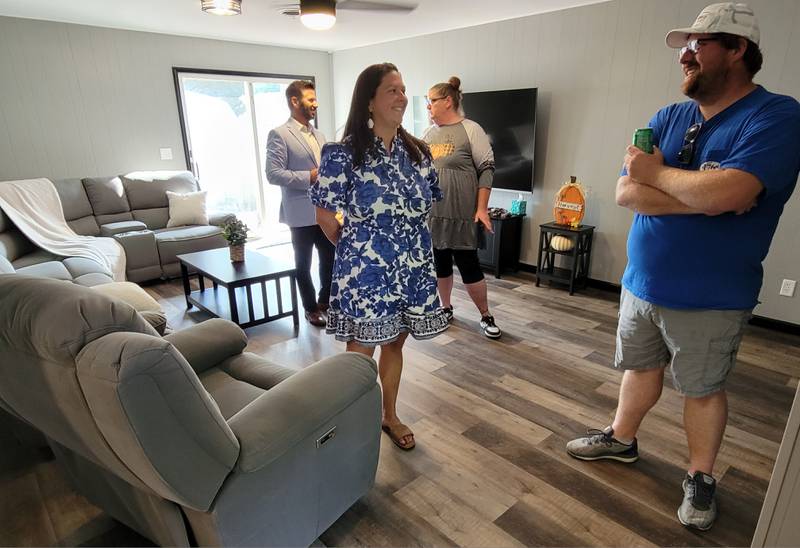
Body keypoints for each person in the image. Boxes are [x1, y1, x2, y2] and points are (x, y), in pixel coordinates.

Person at [566, 2, 800, 532]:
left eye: (699, 44)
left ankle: (700, 476)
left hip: (713, 295)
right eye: (684, 46)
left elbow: (736, 190)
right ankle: (622, 440)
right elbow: (627, 191)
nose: (686, 56)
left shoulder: (778, 115)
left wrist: (660, 175)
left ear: (738, 50)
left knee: (702, 388)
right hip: (641, 282)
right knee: (639, 369)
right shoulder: (667, 118)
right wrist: (703, 194)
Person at [310, 63, 449, 451]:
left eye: (404, 89)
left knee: (395, 344)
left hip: (414, 268)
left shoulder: (420, 153)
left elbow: (427, 206)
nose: (402, 97)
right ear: (368, 100)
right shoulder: (342, 153)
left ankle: (390, 415)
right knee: (359, 357)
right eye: (392, 90)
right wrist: (357, 251)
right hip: (365, 272)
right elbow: (324, 215)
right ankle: (350, 423)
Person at [423, 76, 502, 339]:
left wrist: (482, 208)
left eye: (431, 101)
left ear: (447, 101)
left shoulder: (471, 130)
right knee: (440, 264)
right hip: (434, 216)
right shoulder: (428, 134)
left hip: (464, 215)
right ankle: (445, 308)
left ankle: (485, 314)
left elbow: (487, 170)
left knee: (469, 266)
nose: (428, 107)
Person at [266, 80, 334, 327]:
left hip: (325, 210)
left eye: (316, 100)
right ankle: (310, 308)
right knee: (303, 263)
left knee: (330, 258)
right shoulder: (279, 134)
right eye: (311, 100)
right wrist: (310, 176)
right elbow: (273, 174)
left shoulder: (321, 135)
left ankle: (326, 301)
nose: (315, 104)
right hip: (300, 212)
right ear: (295, 102)